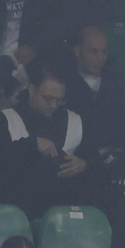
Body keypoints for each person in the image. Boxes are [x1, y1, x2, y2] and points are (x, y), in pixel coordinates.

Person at [0, 59, 103, 218]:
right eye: (48, 98)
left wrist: (84, 164)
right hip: (17, 211)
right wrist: (32, 144)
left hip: (65, 213)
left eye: (59, 100)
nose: (54, 105)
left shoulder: (76, 121)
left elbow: (97, 162)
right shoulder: (6, 120)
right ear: (32, 89)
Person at [63, 23, 125, 158]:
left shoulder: (118, 83)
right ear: (77, 50)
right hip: (72, 160)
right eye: (93, 52)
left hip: (111, 161)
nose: (100, 58)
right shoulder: (62, 82)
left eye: (104, 52)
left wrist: (119, 152)